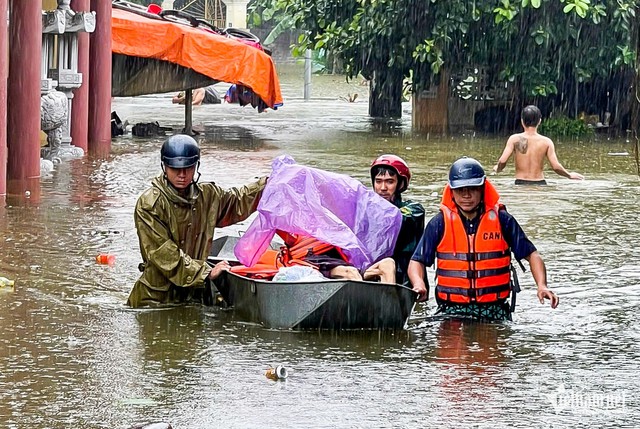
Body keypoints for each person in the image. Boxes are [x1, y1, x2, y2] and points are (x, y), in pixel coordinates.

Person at [408, 157, 559, 321]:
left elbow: (532, 255)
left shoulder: (503, 220)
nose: (466, 195)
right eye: (460, 190)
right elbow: (417, 261)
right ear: (451, 191)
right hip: (451, 309)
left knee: (491, 346)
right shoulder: (439, 223)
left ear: (483, 189)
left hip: (494, 309)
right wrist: (418, 284)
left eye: (472, 188)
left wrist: (542, 285)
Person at [127, 134, 268, 308]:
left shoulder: (207, 195)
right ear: (164, 167)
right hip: (156, 300)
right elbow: (164, 255)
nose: (182, 175)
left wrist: (267, 185)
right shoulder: (151, 204)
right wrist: (206, 272)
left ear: (196, 166)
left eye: (188, 168)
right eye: (175, 169)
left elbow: (238, 201)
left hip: (194, 296)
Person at [369, 155, 425, 286]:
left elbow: (397, 217)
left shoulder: (415, 210)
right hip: (375, 273)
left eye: (389, 181)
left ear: (400, 184)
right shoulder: (365, 210)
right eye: (378, 181)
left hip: (404, 279)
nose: (383, 187)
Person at [492, 105, 584, 185]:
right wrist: (569, 175)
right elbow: (556, 166)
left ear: (522, 121)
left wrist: (498, 168)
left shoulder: (514, 139)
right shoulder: (546, 142)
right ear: (539, 121)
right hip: (540, 184)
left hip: (520, 183)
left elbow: (502, 160)